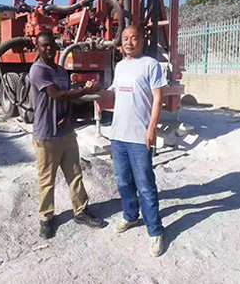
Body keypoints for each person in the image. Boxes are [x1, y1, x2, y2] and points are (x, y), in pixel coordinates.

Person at [30, 31, 104, 239]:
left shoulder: (62, 71)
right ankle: (46, 219)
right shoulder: (38, 70)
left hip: (66, 133)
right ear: (38, 47)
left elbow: (67, 100)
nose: (48, 48)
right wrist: (83, 91)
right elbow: (57, 95)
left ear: (56, 46)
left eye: (51, 44)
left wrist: (68, 117)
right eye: (43, 45)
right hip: (46, 135)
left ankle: (81, 211)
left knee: (75, 174)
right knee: (47, 180)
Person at [109, 25, 167, 257]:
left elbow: (158, 99)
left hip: (139, 137)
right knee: (123, 182)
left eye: (134, 38)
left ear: (143, 41)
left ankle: (155, 231)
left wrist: (152, 128)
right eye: (125, 38)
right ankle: (130, 216)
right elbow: (114, 95)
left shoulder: (151, 65)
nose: (129, 42)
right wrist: (90, 93)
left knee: (145, 186)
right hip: (118, 135)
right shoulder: (120, 66)